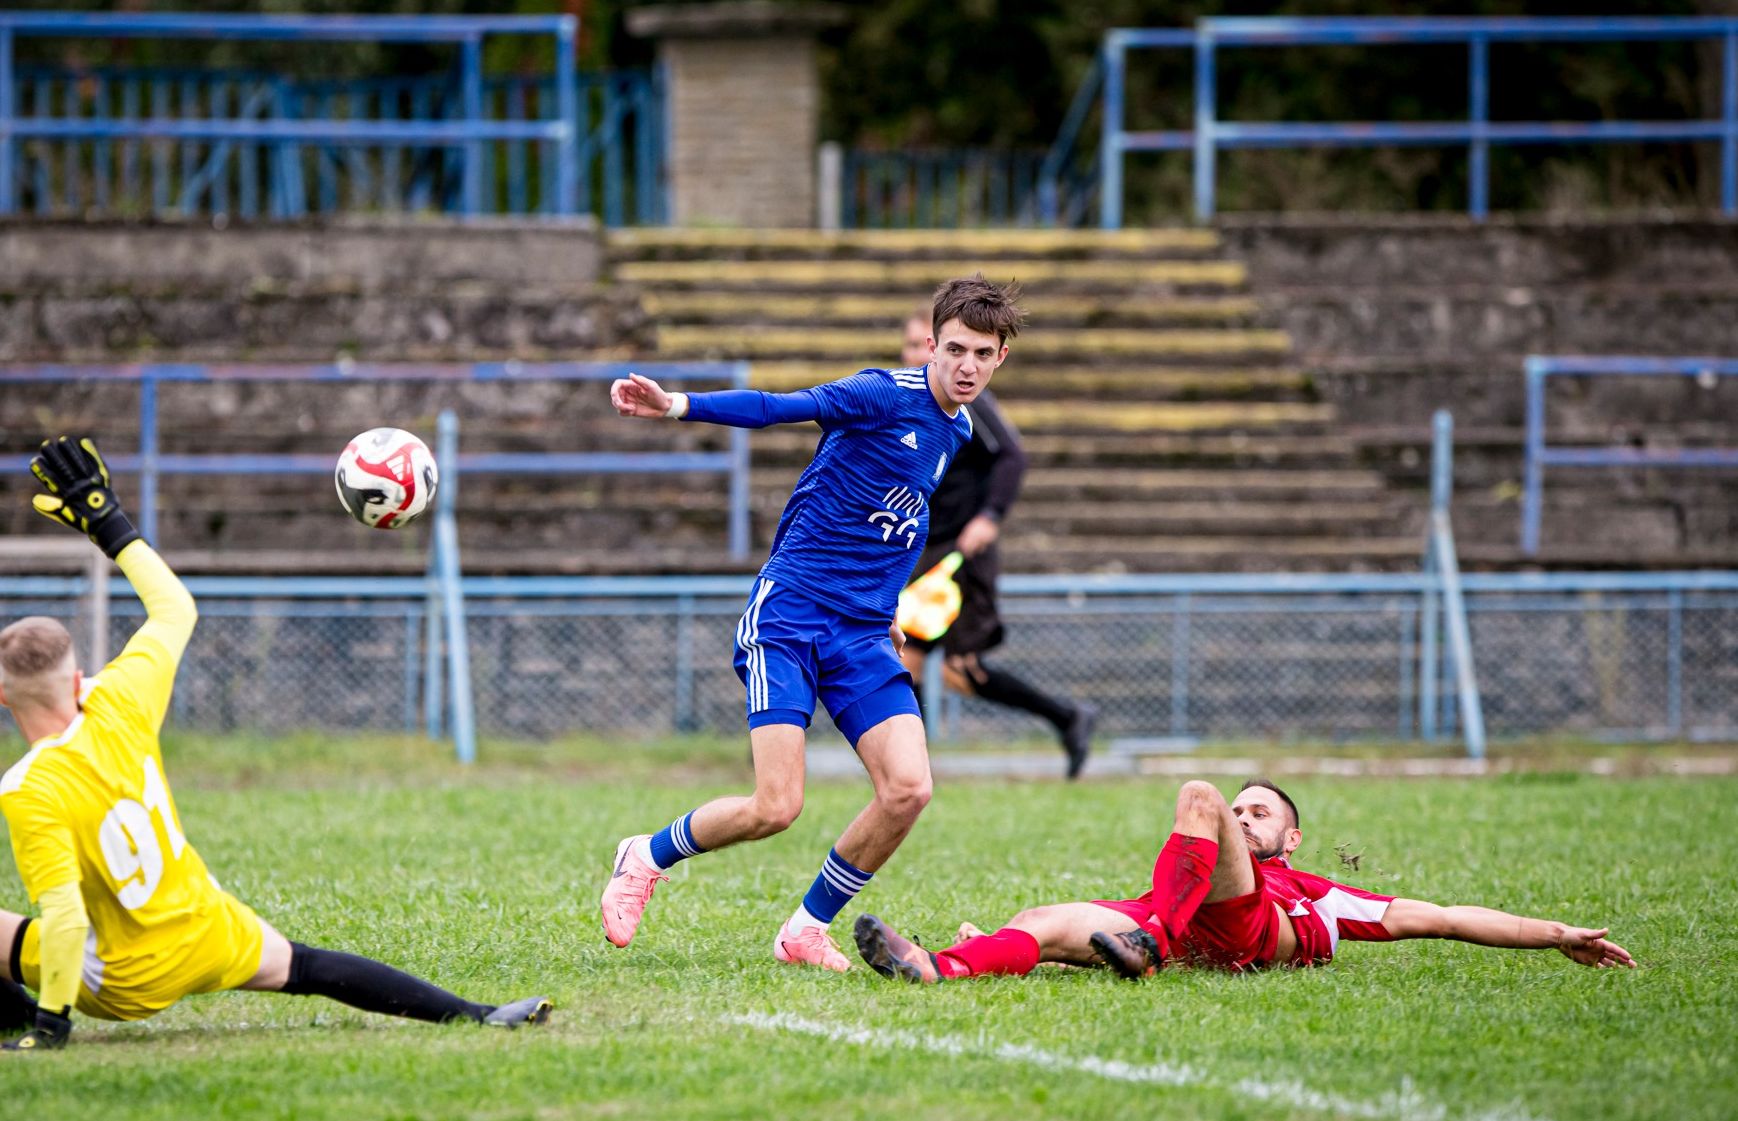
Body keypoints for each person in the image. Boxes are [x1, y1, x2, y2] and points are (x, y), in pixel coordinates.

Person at [0, 436, 549, 1050]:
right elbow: (174, 608)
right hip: (206, 930)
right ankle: (480, 1014)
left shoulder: (29, 785)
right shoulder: (118, 698)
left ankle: (6, 1009)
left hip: (122, 981)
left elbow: (67, 921)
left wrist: (50, 1028)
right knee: (308, 966)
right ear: (77, 680)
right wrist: (108, 521)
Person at [598, 276, 1017, 971]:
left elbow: (900, 526)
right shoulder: (883, 393)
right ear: (932, 344)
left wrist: (886, 612)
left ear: (1001, 357)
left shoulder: (960, 429)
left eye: (982, 353)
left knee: (909, 788)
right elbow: (775, 407)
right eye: (954, 349)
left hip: (860, 632)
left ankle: (803, 931)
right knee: (776, 806)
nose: (966, 365)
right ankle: (644, 855)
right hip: (791, 612)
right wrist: (677, 405)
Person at [853, 777, 1636, 982]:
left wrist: (1555, 934)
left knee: (1193, 793)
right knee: (1044, 918)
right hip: (1179, 919)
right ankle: (940, 967)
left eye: (1258, 813)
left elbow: (1445, 916)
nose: (1242, 815)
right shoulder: (1198, 868)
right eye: (1239, 810)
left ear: (1291, 836)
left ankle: (1149, 942)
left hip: (1234, 928)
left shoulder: (1316, 891)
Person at [896, 308, 1097, 777]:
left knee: (930, 662)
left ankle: (907, 776)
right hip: (927, 548)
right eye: (907, 344)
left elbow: (1012, 455)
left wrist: (990, 516)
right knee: (943, 666)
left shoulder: (967, 399)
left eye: (919, 342)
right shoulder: (911, 398)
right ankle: (1066, 717)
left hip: (961, 552)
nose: (911, 353)